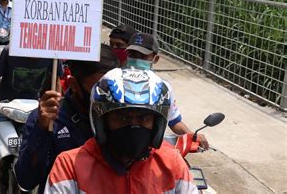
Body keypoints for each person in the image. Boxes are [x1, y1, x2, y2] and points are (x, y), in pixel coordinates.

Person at [44, 68, 198, 194]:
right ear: (102, 122)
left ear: (156, 124)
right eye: (122, 119)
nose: (134, 127)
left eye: (144, 119)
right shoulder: (70, 166)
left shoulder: (172, 163)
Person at [14, 45, 119, 194]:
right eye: (99, 92)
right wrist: (41, 130)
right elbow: (26, 179)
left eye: (112, 90)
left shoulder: (123, 116)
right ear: (73, 85)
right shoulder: (49, 119)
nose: (107, 99)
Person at [0, 45, 63, 182]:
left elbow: (56, 81)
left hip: (33, 108)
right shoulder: (9, 51)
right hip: (4, 106)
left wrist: (58, 105)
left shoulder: (52, 55)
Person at [124, 32, 209, 149]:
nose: (137, 59)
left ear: (156, 59)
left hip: (148, 146)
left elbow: (173, 120)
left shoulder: (162, 87)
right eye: (132, 54)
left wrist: (192, 136)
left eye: (143, 56)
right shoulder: (111, 80)